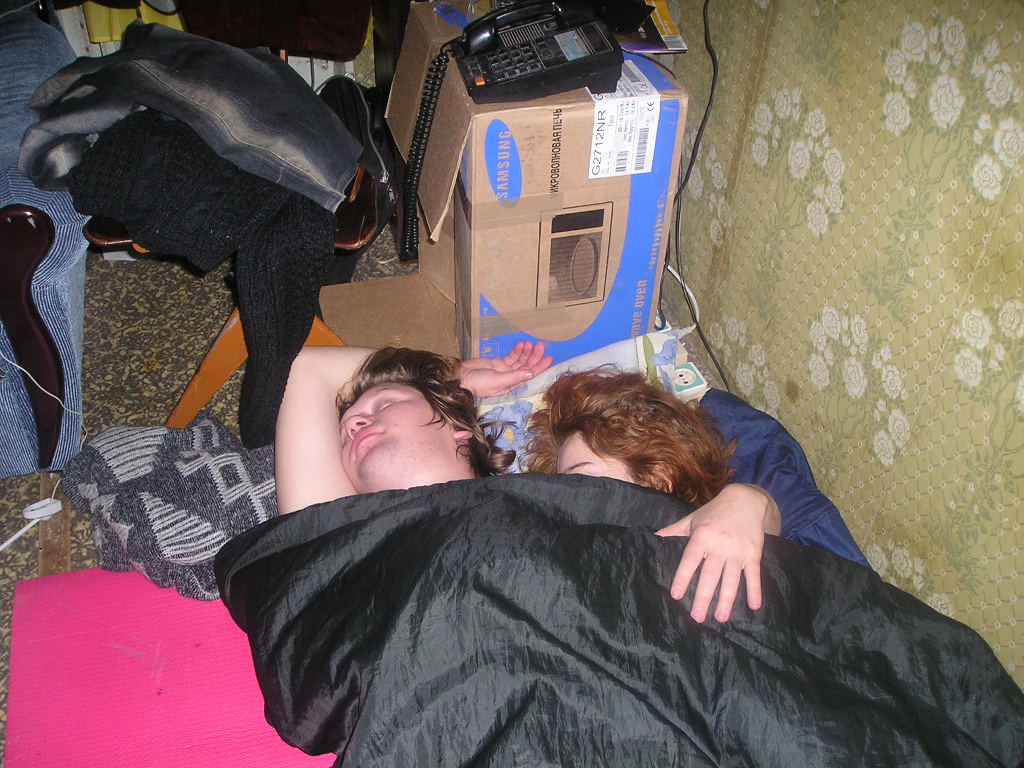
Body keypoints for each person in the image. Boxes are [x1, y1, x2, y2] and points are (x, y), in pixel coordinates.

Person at [525, 368, 781, 625]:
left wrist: (748, 500)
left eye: (580, 480)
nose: (566, 495)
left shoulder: (712, 539)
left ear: (659, 475)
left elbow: (768, 547)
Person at [274, 340, 553, 515]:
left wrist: (445, 379)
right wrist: (449, 377)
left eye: (385, 404)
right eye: (346, 435)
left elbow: (308, 367)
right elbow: (307, 368)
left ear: (456, 429)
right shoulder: (330, 531)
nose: (354, 425)